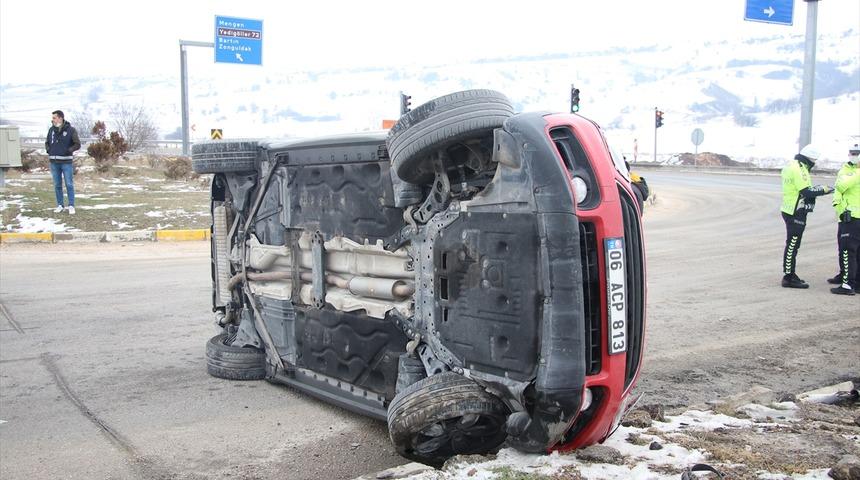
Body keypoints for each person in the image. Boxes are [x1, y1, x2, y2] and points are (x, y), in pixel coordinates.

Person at [779, 144, 833, 288]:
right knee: (792, 244)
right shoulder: (799, 169)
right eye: (814, 160)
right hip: (795, 211)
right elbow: (806, 191)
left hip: (790, 208)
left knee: (793, 244)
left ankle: (791, 273)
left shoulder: (793, 165)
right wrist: (824, 190)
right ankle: (788, 277)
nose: (814, 163)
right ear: (810, 158)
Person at [828, 144, 860, 295]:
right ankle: (852, 280)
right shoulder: (846, 169)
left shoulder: (856, 173)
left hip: (853, 217)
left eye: (857, 153)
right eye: (852, 153)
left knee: (849, 251)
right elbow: (838, 189)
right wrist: (838, 207)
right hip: (847, 216)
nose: (854, 155)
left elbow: (841, 186)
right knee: (849, 250)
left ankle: (848, 284)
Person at [45, 110, 81, 214]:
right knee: (57, 184)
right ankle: (60, 205)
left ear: (60, 118)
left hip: (66, 162)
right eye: (53, 118)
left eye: (54, 118)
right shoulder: (51, 130)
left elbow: (77, 144)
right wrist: (49, 150)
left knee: (69, 184)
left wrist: (68, 150)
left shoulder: (70, 130)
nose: (53, 120)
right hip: (54, 161)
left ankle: (71, 205)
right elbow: (47, 142)